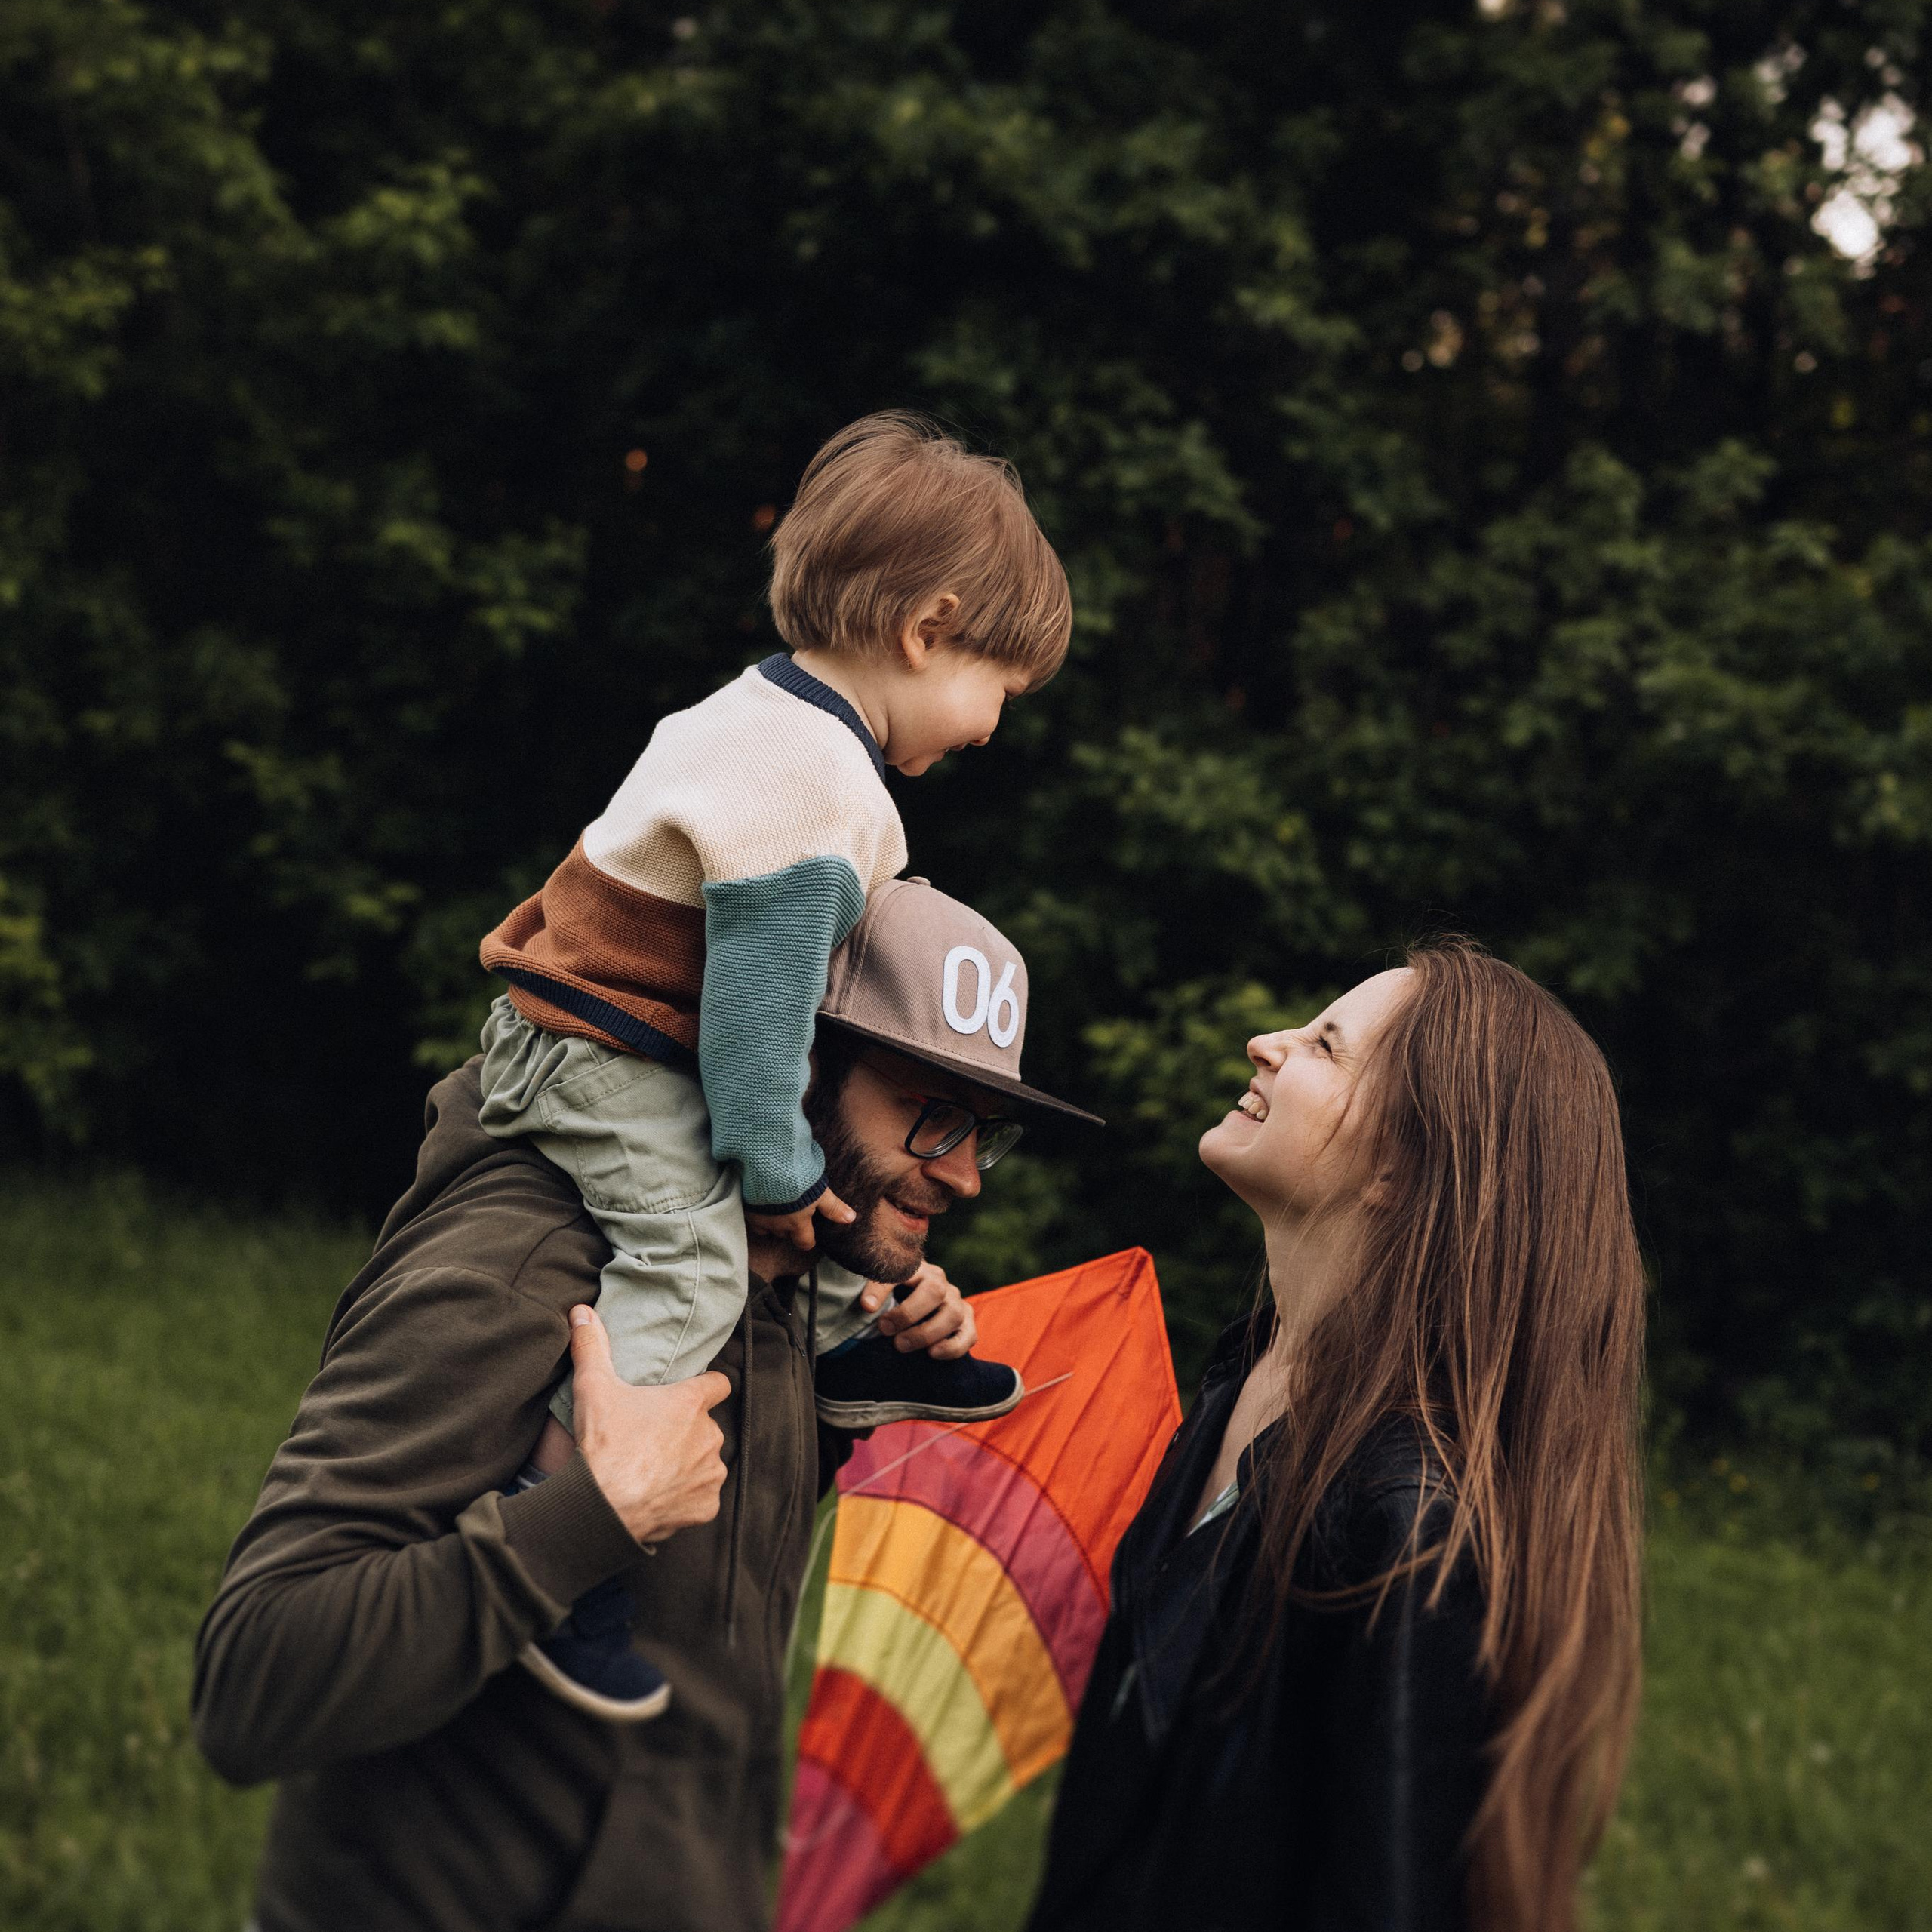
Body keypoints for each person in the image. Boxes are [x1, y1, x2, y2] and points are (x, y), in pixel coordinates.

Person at [192, 879, 1100, 1932]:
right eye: (932, 1116)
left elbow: (697, 1617)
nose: (968, 1178)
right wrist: (584, 1519)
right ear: (790, 1070)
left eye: (987, 1133)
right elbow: (252, 1683)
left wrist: (843, 1380)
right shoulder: (525, 1265)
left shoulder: (784, 1282)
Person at [476, 411, 1073, 1717]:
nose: (989, 728)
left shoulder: (757, 715)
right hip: (597, 1057)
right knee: (695, 1259)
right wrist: (783, 1171)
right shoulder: (821, 787)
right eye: (998, 693)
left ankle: (840, 1352)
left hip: (598, 1035)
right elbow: (757, 1033)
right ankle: (564, 1525)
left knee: (758, 1233)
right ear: (929, 629)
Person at [1028, 938, 1645, 1932]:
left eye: (1324, 1046)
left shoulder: (1409, 1526)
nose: (1263, 1044)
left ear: (1402, 1164)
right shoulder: (1241, 1382)